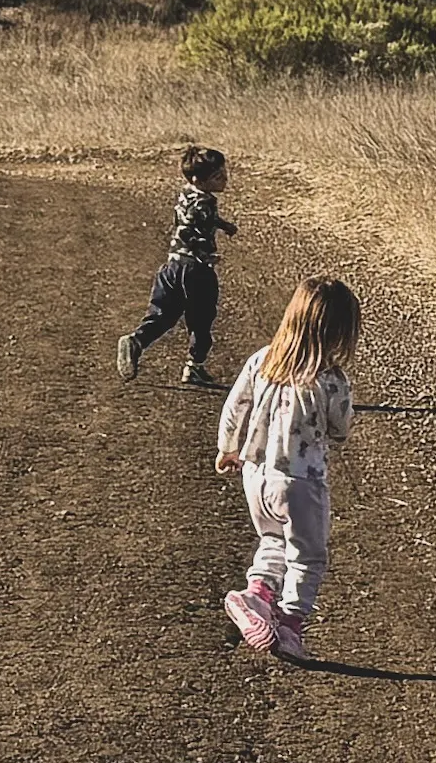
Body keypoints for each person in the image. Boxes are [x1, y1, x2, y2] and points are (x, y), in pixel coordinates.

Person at [212, 276, 359, 658]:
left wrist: (228, 448)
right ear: (338, 331)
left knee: (273, 539)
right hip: (300, 481)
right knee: (307, 556)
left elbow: (234, 407)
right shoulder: (331, 380)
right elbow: (341, 430)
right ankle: (290, 627)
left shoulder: (262, 360)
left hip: (255, 474)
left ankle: (257, 594)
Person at [115, 147, 236, 389]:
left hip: (172, 266)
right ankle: (194, 366)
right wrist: (203, 254)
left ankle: (137, 340)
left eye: (224, 173)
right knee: (201, 319)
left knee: (163, 315)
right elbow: (188, 228)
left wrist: (222, 225)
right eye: (218, 176)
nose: (225, 179)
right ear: (198, 179)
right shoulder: (204, 202)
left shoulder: (187, 193)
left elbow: (192, 218)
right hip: (195, 270)